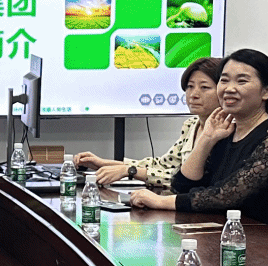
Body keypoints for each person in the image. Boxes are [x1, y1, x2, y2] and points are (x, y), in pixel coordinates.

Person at [131, 48, 268, 235]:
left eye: (241, 81)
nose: (229, 89)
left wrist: (160, 201)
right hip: (223, 235)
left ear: (266, 91)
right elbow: (181, 186)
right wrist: (206, 139)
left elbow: (227, 196)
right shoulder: (225, 133)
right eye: (224, 80)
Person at [75, 56, 223, 188]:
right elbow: (163, 165)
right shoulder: (191, 125)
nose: (193, 94)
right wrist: (103, 163)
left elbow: (185, 181)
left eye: (204, 87)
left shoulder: (225, 131)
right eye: (190, 86)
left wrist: (130, 171)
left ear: (223, 90)